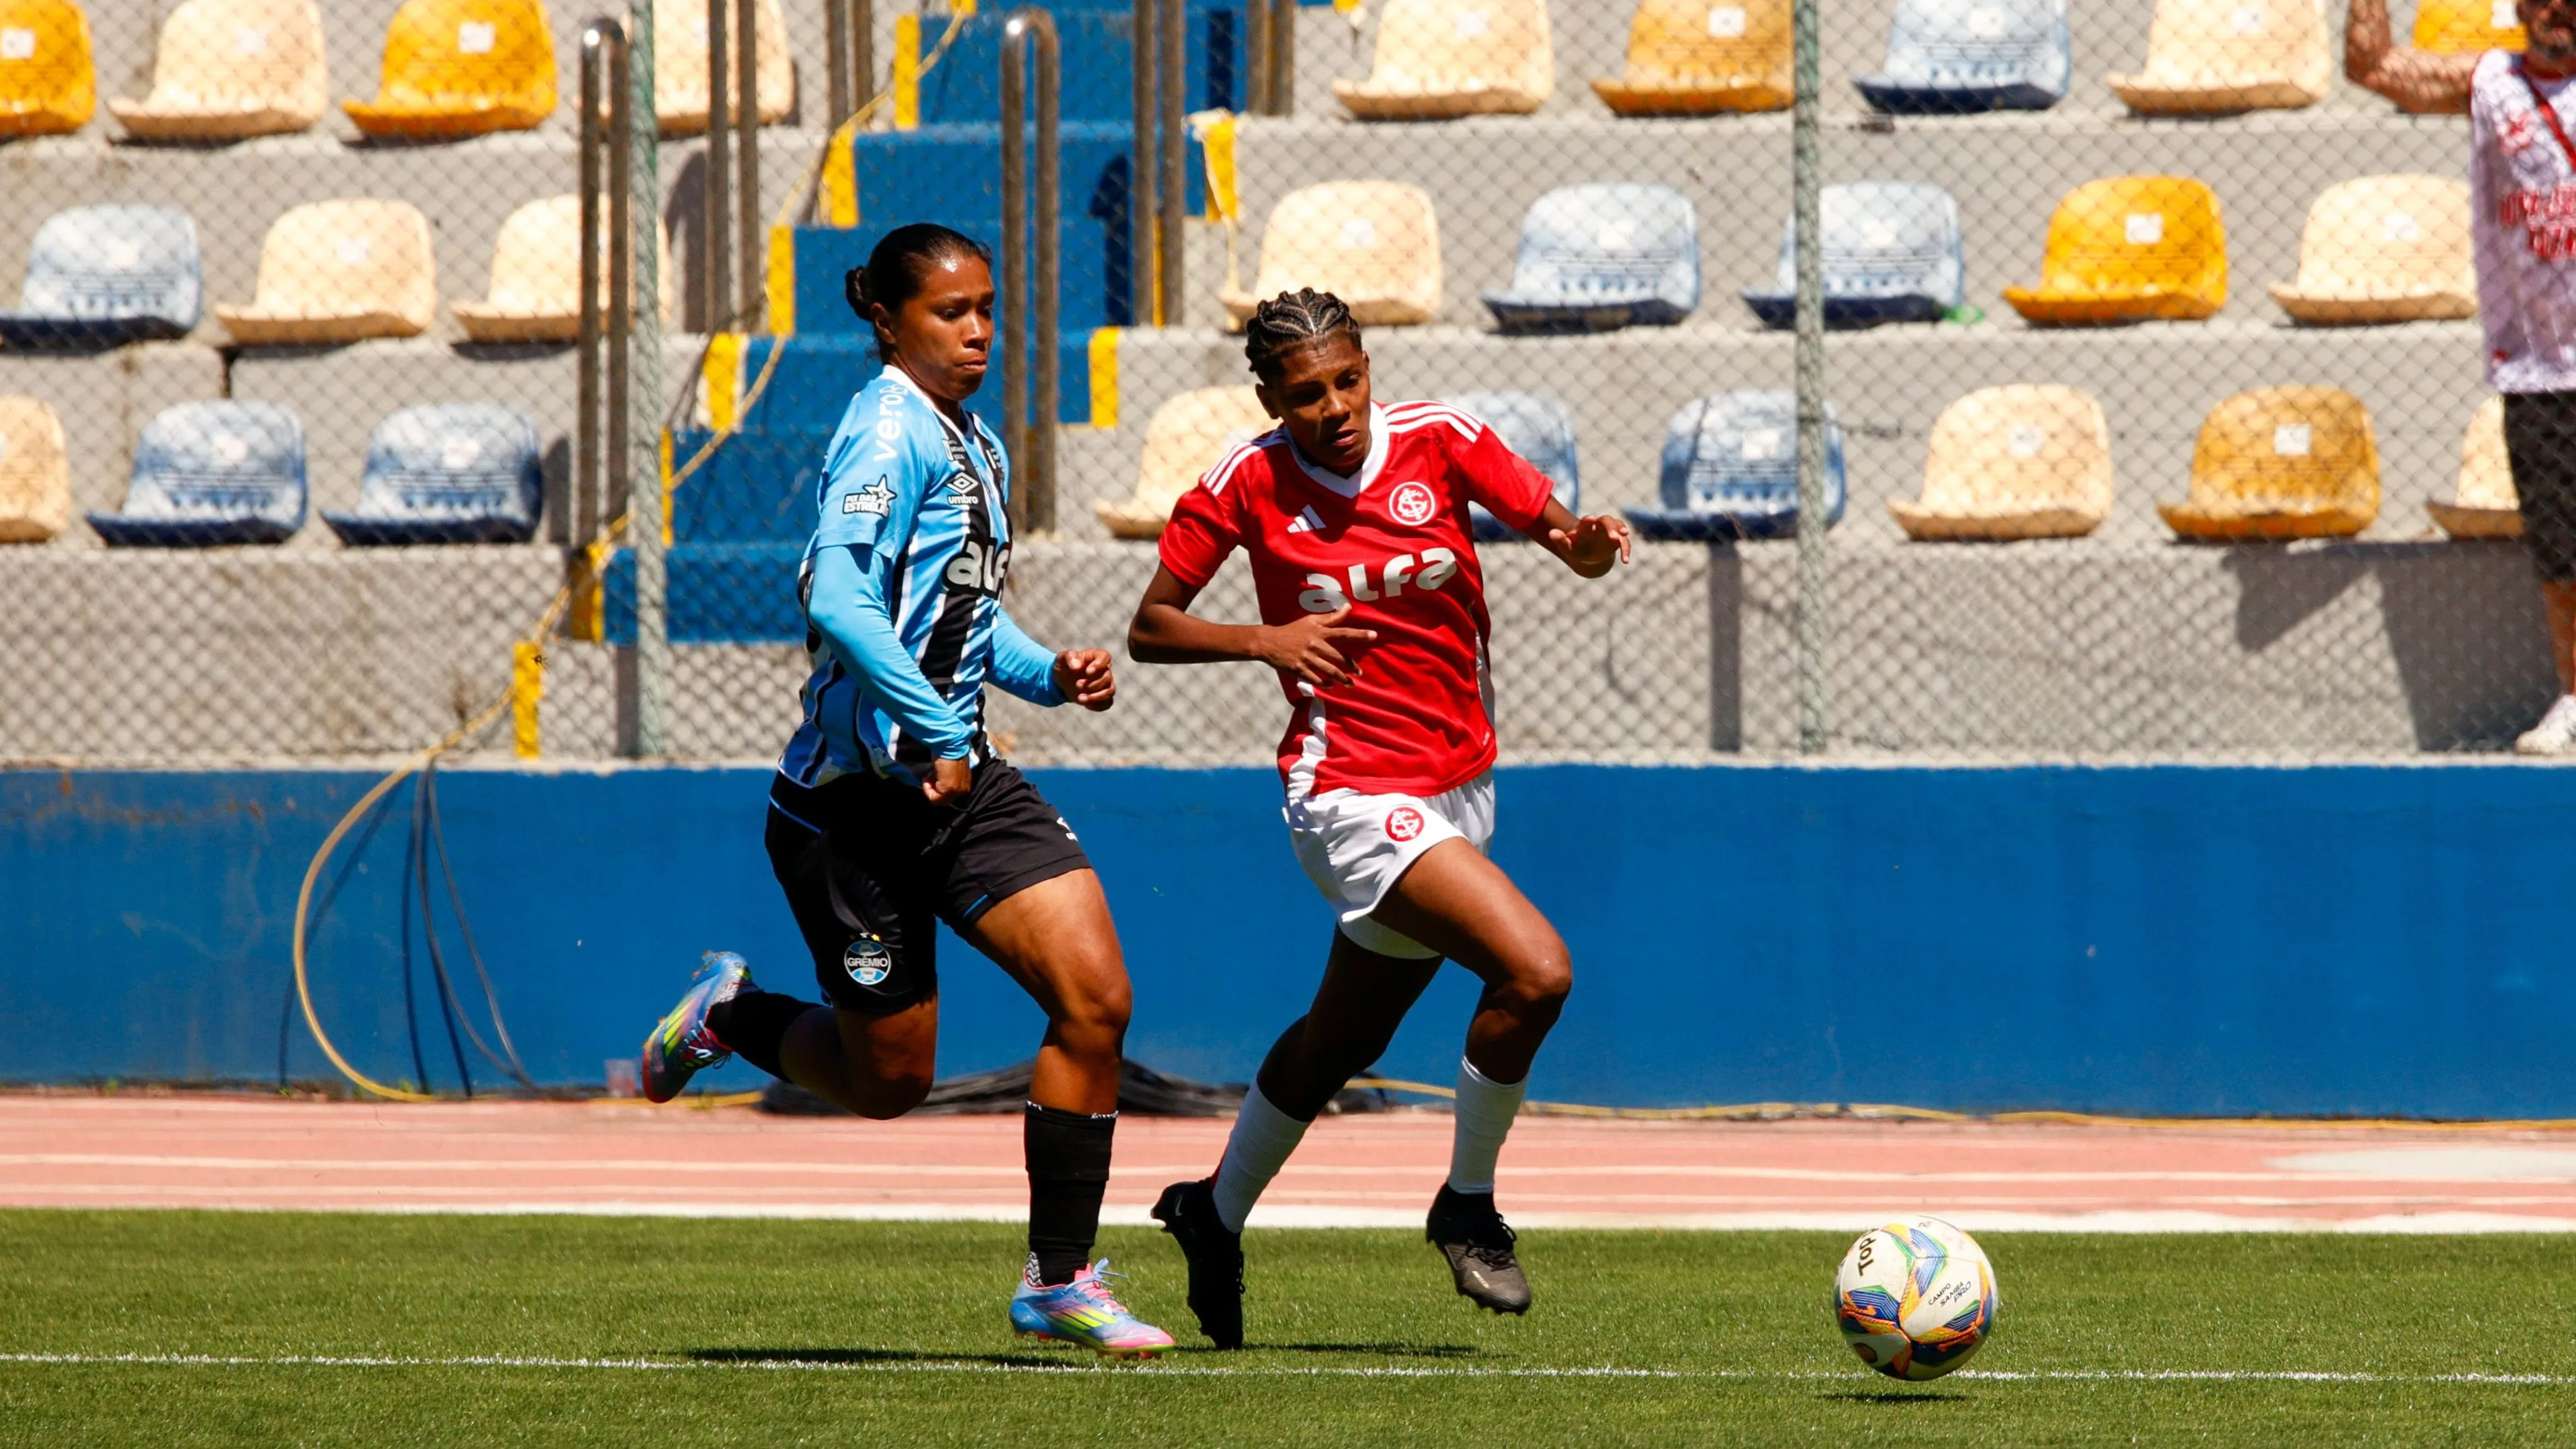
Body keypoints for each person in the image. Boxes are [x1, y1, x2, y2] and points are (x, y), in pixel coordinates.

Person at [635, 223, 1173, 1359]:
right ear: (887, 319)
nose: (977, 329)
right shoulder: (886, 432)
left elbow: (963, 620)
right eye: (948, 312)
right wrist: (933, 727)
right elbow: (836, 594)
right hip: (853, 810)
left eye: (987, 306)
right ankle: (729, 1015)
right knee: (889, 1084)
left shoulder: (971, 437)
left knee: (1096, 998)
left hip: (961, 780)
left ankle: (1059, 1279)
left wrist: (1046, 673)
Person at [1127, 288, 1632, 1348]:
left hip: (1456, 785)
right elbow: (1151, 628)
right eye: (1305, 393)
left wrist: (1586, 545)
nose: (1334, 407)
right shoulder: (1245, 480)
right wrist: (1263, 642)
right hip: (1346, 792)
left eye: (1347, 380)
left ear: (1369, 369)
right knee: (1534, 971)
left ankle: (1208, 1214)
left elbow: (1561, 535)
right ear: (1270, 397)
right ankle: (1467, 1206)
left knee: (1336, 1042)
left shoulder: (1441, 440)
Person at [2461, 1, 2576, 750]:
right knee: (2562, 550)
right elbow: (2369, 70)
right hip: (2541, 364)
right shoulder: (2491, 83)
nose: (2555, 7)